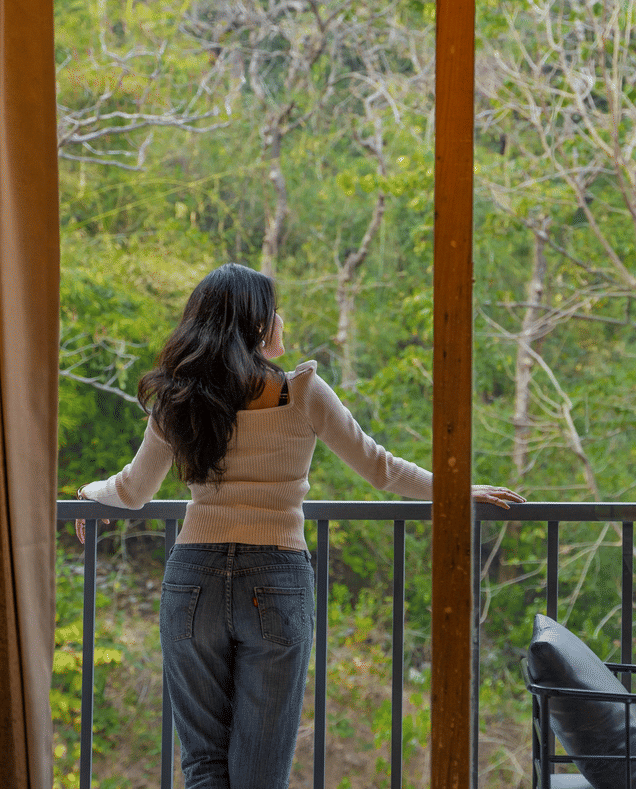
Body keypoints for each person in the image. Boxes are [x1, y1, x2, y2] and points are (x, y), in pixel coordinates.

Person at [73, 262, 523, 789]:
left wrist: (87, 495)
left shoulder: (180, 397)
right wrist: (457, 491)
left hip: (193, 577)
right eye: (272, 310)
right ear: (257, 324)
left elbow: (131, 491)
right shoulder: (301, 392)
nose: (279, 318)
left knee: (203, 767)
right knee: (260, 774)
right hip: (276, 578)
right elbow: (381, 468)